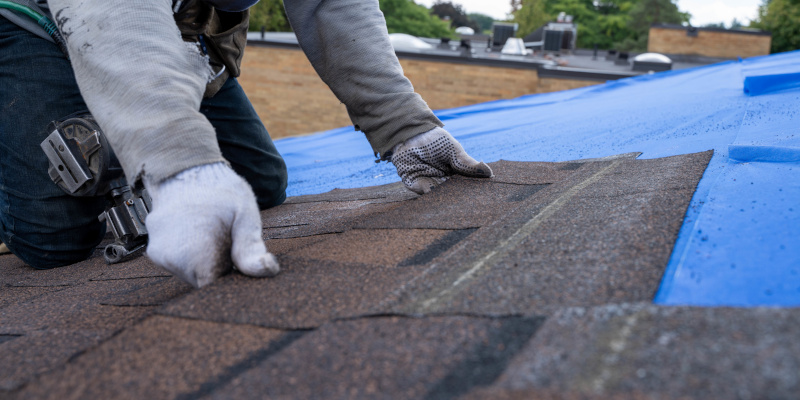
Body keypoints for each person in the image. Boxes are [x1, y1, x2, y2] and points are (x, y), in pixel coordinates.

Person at [0, 0, 493, 287]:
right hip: (36, 20)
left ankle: (110, 108)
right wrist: (179, 166)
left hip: (179, 25)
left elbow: (329, 3)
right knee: (54, 241)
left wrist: (406, 128)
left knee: (260, 185)